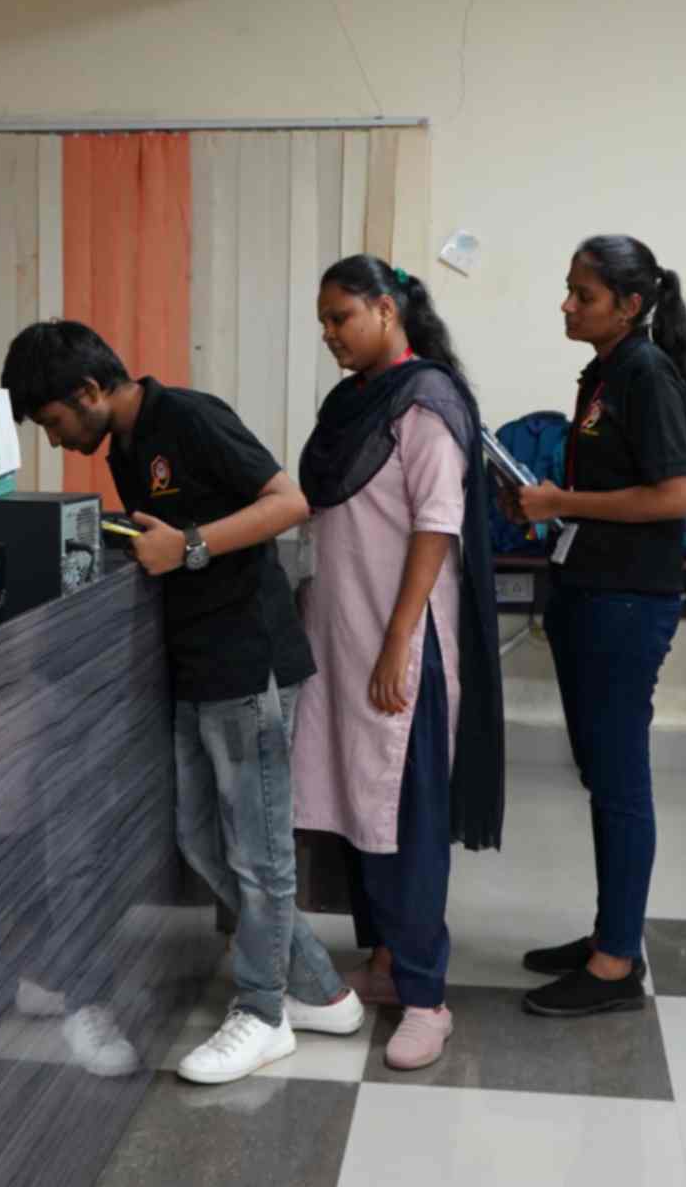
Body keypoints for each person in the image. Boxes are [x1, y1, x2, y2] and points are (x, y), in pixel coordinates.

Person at [0, 320, 359, 1085]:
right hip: (199, 664)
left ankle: (264, 1012)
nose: (55, 440)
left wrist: (189, 545)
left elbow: (289, 501)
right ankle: (322, 988)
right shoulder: (126, 446)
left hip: (248, 663)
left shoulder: (189, 417)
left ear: (89, 391)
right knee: (202, 842)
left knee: (259, 855)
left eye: (54, 421)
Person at [292, 256, 506, 1070]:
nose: (329, 333)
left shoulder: (426, 403)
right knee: (359, 806)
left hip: (400, 646)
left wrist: (398, 642)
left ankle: (427, 999)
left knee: (404, 818)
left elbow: (435, 526)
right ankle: (385, 960)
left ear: (387, 310)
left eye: (340, 317)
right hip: (342, 637)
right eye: (323, 320)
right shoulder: (354, 401)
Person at [505, 235, 686, 1018]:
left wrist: (562, 502)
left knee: (619, 780)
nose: (566, 305)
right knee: (600, 773)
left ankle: (617, 961)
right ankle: (607, 933)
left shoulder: (645, 371)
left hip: (627, 600)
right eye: (568, 289)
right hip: (588, 589)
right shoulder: (604, 371)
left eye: (582, 295)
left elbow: (673, 496)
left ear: (629, 305)